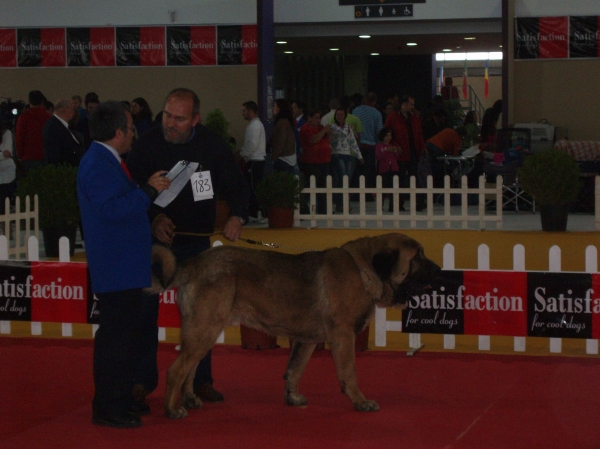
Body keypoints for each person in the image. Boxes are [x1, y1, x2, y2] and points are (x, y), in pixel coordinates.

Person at [126, 87, 249, 409]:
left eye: (179, 119)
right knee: (143, 313)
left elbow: (236, 184)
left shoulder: (212, 145)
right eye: (167, 115)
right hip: (154, 244)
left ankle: (200, 380)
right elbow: (130, 191)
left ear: (195, 119)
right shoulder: (146, 146)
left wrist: (237, 214)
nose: (171, 123)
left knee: (202, 315)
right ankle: (141, 382)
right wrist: (153, 218)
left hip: (196, 244)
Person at [77, 101, 170, 428]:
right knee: (115, 341)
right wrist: (147, 190)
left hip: (124, 265)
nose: (134, 134)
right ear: (117, 133)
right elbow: (111, 210)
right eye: (131, 128)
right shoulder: (99, 164)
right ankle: (108, 407)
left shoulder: (106, 160)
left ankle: (118, 400)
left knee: (122, 338)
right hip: (117, 266)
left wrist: (147, 191)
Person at [384, 94, 426, 211]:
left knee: (415, 180)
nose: (413, 107)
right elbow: (386, 134)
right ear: (404, 105)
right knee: (399, 180)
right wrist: (395, 145)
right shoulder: (393, 117)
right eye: (411, 104)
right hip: (399, 155)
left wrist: (422, 147)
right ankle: (396, 205)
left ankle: (418, 203)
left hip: (414, 153)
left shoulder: (414, 118)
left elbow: (419, 134)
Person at [329, 107, 363, 212]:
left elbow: (353, 142)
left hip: (348, 155)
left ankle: (342, 203)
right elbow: (330, 142)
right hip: (336, 154)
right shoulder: (332, 127)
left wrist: (359, 156)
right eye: (338, 115)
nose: (339, 117)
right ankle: (343, 203)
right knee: (342, 177)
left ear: (345, 116)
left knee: (345, 179)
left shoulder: (348, 127)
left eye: (341, 115)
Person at [299, 108, 332, 214]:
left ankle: (324, 209)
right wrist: (324, 131)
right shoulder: (306, 128)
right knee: (309, 186)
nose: (318, 121)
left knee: (323, 187)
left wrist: (329, 132)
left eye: (319, 118)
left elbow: (328, 140)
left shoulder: (320, 128)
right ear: (309, 118)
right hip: (311, 162)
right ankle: (304, 209)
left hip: (324, 160)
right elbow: (313, 140)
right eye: (316, 118)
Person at [351, 92, 383, 200]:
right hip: (370, 145)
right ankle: (367, 195)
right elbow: (379, 131)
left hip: (357, 144)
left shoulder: (356, 111)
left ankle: (356, 194)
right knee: (368, 171)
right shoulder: (377, 113)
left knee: (357, 170)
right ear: (375, 101)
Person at [240, 100, 266, 220]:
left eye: (244, 110)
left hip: (255, 161)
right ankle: (255, 212)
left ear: (251, 111)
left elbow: (252, 144)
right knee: (253, 186)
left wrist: (243, 155)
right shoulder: (254, 125)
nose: (242, 113)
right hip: (255, 160)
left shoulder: (255, 126)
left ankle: (254, 213)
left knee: (253, 187)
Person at [15, 90, 50, 172]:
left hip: (28, 157)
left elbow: (19, 138)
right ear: (42, 102)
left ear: (29, 101)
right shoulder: (48, 117)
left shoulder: (23, 118)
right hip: (45, 156)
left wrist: (20, 155)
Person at [43, 99, 83, 166]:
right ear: (66, 109)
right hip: (64, 170)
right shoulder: (54, 127)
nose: (74, 112)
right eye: (73, 109)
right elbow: (54, 154)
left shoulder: (58, 125)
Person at [375, 127, 402, 212]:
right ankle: (380, 206)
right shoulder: (379, 146)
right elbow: (378, 157)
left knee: (393, 189)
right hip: (384, 170)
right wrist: (386, 151)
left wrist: (396, 151)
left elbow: (397, 157)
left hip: (393, 169)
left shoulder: (392, 146)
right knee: (382, 188)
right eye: (386, 136)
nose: (389, 137)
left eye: (390, 135)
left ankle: (392, 206)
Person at [270, 98, 297, 174]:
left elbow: (281, 141)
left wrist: (274, 157)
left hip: (283, 159)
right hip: (290, 158)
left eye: (274, 106)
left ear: (280, 108)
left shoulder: (282, 122)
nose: (273, 108)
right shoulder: (288, 122)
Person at [0, 123, 16, 214]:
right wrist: (2, 154)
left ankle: (5, 226)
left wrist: (3, 155)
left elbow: (8, 153)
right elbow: (4, 154)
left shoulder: (6, 133)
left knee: (4, 205)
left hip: (7, 175)